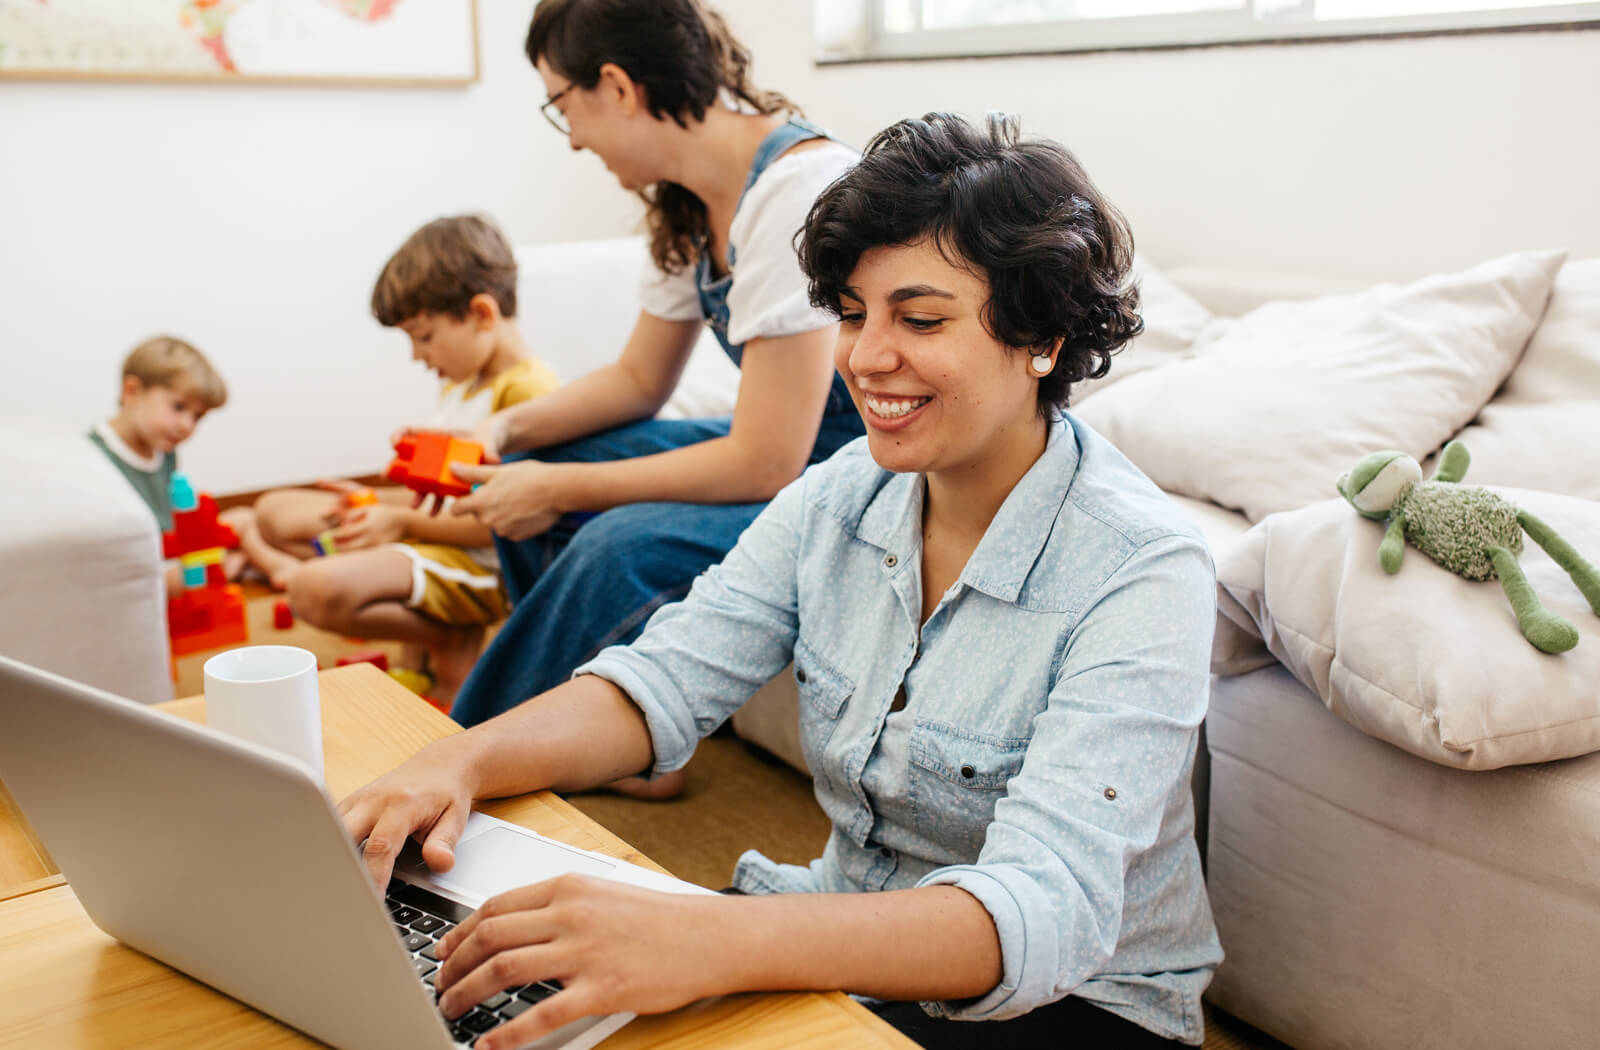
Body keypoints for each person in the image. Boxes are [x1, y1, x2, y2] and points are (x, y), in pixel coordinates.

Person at [339, 112, 1223, 1049]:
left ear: (1041, 335)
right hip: (840, 931)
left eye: (919, 318)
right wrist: (459, 756)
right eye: (851, 313)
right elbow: (666, 678)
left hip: (1075, 1003)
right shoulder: (845, 493)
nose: (864, 357)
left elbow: (1039, 912)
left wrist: (710, 937)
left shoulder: (1143, 569)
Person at [437, 0, 864, 741]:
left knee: (617, 547)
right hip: (795, 454)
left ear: (618, 86)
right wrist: (499, 427)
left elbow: (766, 462)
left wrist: (561, 489)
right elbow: (639, 380)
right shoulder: (692, 206)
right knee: (524, 460)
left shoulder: (799, 192)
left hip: (862, 471)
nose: (571, 140)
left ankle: (466, 753)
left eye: (562, 106)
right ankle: (590, 732)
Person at [260, 215, 560, 704]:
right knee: (275, 511)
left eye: (423, 336)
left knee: (310, 589)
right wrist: (376, 499)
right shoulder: (460, 382)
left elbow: (504, 523)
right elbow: (448, 490)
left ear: (482, 314)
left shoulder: (529, 395)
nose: (418, 356)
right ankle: (425, 630)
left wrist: (399, 522)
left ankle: (447, 637)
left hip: (485, 564)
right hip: (431, 532)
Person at [89, 335, 240, 591]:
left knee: (244, 520)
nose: (187, 425)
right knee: (183, 577)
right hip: (138, 564)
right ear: (132, 392)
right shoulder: (96, 455)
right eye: (179, 407)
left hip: (172, 549)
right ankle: (238, 565)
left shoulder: (164, 449)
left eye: (198, 417)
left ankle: (260, 565)